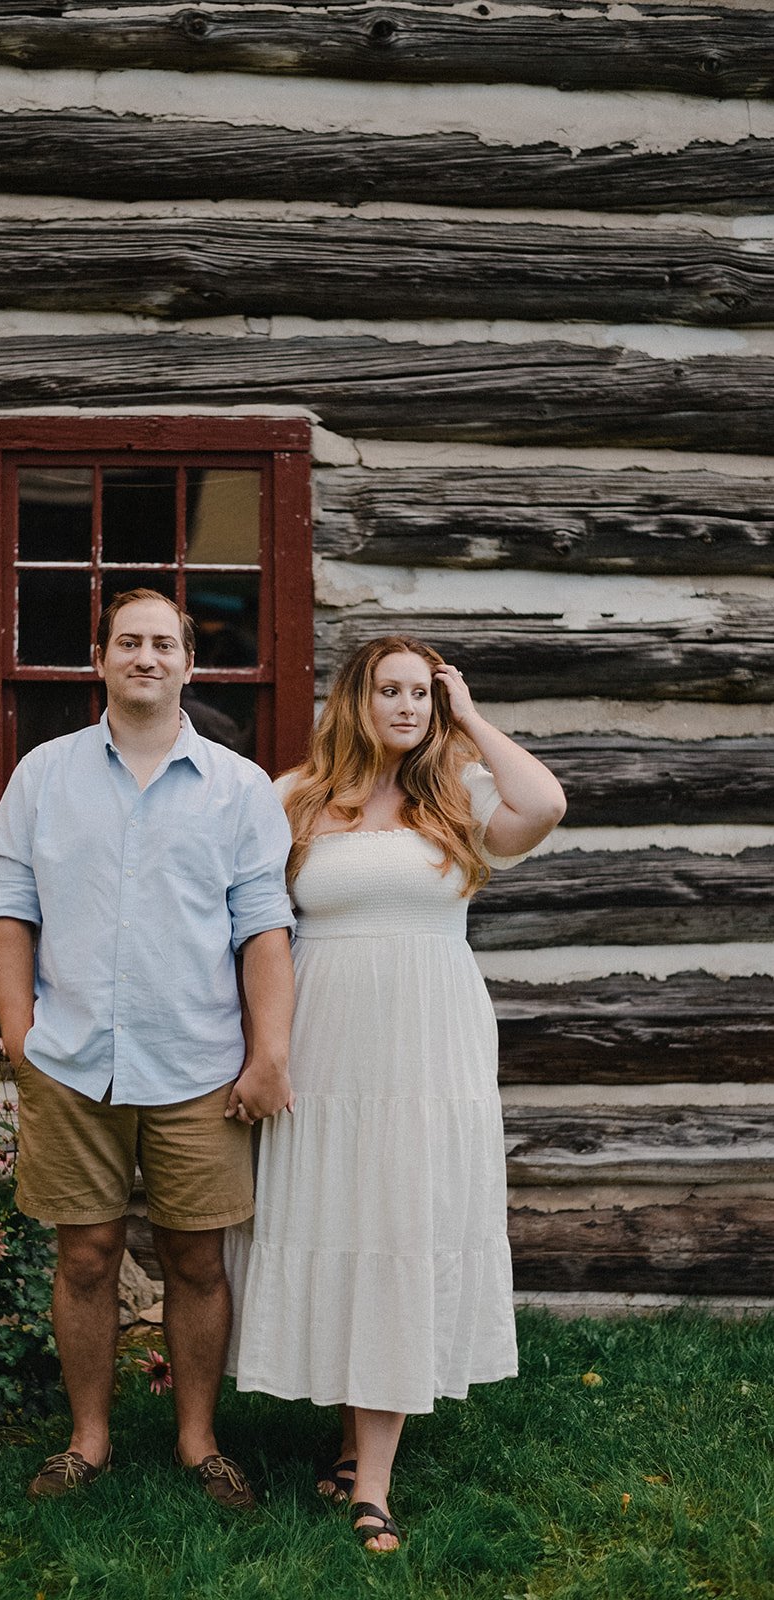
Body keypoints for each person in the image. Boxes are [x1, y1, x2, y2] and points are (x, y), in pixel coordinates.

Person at [231, 635, 566, 1552]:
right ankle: (349, 1446)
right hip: (328, 1048)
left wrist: (472, 718)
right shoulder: (294, 797)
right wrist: (265, 1051)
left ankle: (371, 1486)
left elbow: (547, 803)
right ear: (357, 698)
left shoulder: (462, 795)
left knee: (403, 1229)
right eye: (392, 690)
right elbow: (250, 925)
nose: (408, 706)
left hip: (429, 1050)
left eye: (423, 693)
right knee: (345, 1225)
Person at [0, 589, 295, 1509]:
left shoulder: (239, 787)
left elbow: (263, 929)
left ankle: (199, 1442)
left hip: (199, 1060)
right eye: (129, 642)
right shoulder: (44, 775)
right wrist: (18, 1034)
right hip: (72, 1058)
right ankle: (89, 1440)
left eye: (164, 643)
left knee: (196, 1261)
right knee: (84, 1255)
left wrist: (266, 1052)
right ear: (102, 658)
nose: (146, 656)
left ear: (190, 665)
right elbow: (10, 910)